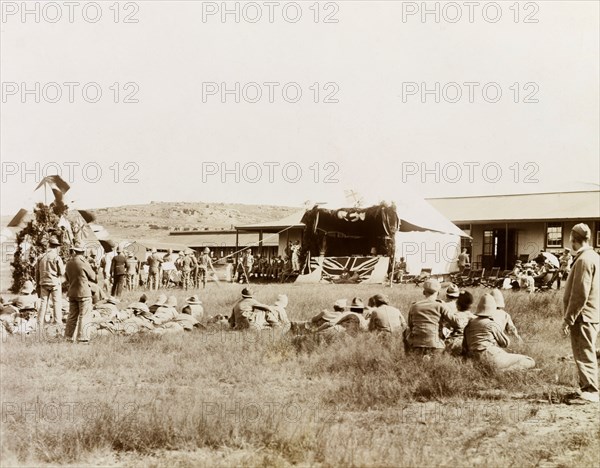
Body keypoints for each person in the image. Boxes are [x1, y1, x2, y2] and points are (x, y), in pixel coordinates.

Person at [561, 223, 599, 404]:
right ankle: (586, 387)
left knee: (583, 353)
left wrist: (568, 319)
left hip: (583, 316)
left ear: (573, 239)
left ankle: (590, 391)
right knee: (585, 351)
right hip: (591, 314)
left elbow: (580, 294)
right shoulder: (593, 257)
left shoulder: (584, 260)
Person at [463, 295, 535, 372]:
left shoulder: (470, 323)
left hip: (473, 358)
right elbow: (505, 343)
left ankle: (508, 370)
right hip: (491, 356)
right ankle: (505, 371)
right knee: (529, 360)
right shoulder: (491, 324)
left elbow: (465, 346)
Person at [404, 279, 462, 356]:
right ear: (438, 293)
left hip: (416, 345)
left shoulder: (414, 306)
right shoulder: (441, 305)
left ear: (424, 292)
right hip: (436, 345)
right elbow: (458, 323)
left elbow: (410, 326)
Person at [64, 244, 96, 343]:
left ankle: (68, 337)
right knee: (84, 315)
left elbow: (67, 278)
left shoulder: (69, 263)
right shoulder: (83, 263)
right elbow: (93, 277)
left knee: (72, 316)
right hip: (84, 292)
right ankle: (82, 338)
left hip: (72, 292)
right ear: (83, 252)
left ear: (74, 251)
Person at [35, 236, 65, 332]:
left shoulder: (41, 257)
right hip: (54, 283)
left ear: (49, 245)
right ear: (56, 247)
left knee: (43, 303)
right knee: (57, 302)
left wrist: (38, 283)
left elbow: (36, 272)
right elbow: (62, 272)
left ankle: (39, 323)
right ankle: (57, 322)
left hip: (43, 283)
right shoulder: (57, 257)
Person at [444, 290, 476, 355]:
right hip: (469, 345)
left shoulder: (453, 317)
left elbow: (445, 332)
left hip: (453, 345)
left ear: (457, 303)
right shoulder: (474, 318)